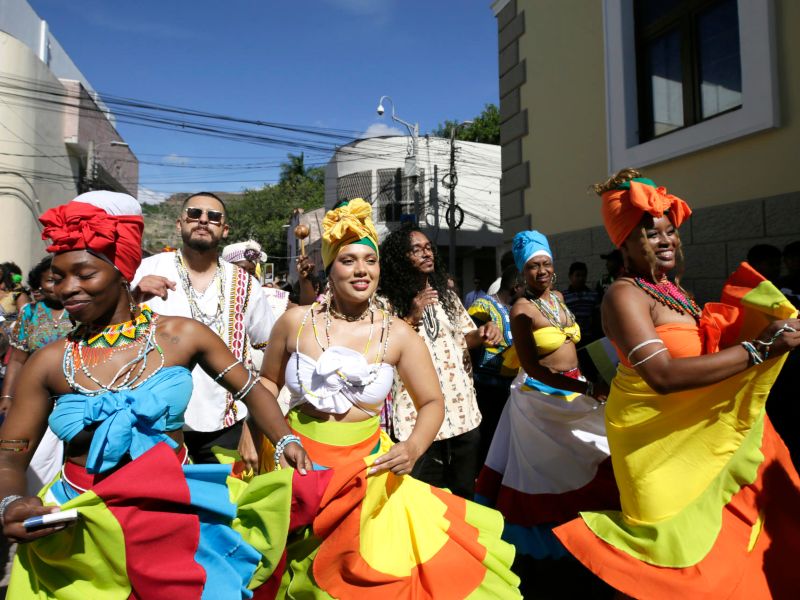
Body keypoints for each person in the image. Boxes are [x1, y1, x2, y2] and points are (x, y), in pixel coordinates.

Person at [0, 191, 314, 597]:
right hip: (80, 533)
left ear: (120, 272)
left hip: (174, 516)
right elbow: (10, 456)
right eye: (60, 277)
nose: (69, 289)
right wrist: (10, 502)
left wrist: (285, 438)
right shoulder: (49, 362)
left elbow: (251, 387)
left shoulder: (180, 335)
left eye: (84, 274)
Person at [555, 169, 800, 598]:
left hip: (701, 432)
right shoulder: (623, 295)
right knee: (670, 556)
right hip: (654, 444)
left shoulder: (673, 290)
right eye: (652, 234)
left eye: (670, 232)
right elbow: (663, 375)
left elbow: (702, 354)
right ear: (625, 243)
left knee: (743, 533)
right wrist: (758, 348)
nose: (666, 240)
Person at [259, 198, 521, 598]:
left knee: (363, 577)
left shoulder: (398, 333)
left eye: (370, 260)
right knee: (292, 570)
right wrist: (261, 433)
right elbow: (266, 384)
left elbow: (432, 402)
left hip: (368, 471)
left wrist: (414, 447)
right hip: (297, 464)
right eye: (348, 260)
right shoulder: (295, 322)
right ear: (331, 267)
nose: (362, 270)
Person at [475, 231, 615, 589]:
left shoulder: (559, 299)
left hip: (574, 390)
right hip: (541, 400)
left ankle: (584, 528)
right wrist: (585, 387)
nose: (542, 271)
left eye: (547, 264)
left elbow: (571, 348)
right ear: (523, 271)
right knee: (546, 472)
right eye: (534, 266)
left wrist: (589, 378)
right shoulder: (521, 310)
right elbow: (534, 368)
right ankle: (549, 547)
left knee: (588, 455)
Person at [132, 192, 275, 472]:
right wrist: (132, 297)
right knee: (164, 510)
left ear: (224, 229)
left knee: (226, 508)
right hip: (154, 423)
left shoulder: (246, 285)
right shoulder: (146, 271)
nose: (203, 221)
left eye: (214, 217)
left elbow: (267, 353)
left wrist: (253, 424)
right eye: (195, 214)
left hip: (227, 423)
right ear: (179, 223)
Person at [379, 224, 502, 499]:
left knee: (463, 495)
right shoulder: (385, 302)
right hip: (416, 419)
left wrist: (482, 334)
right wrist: (410, 316)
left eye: (428, 248)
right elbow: (382, 351)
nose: (426, 254)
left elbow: (463, 338)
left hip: (461, 412)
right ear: (400, 258)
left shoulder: (446, 296)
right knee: (421, 499)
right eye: (416, 250)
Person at [0, 257, 74, 493]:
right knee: (36, 457)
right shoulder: (30, 313)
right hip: (36, 395)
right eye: (52, 280)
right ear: (39, 284)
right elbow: (18, 359)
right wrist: (8, 397)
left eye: (62, 280)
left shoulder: (81, 312)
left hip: (73, 395)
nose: (57, 286)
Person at [467, 265, 523, 465]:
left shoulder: (516, 309)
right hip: (485, 387)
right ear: (517, 287)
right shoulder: (483, 305)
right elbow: (467, 340)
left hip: (510, 386)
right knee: (487, 437)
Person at [562, 261, 600, 345]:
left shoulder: (593, 295)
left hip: (589, 338)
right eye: (577, 275)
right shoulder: (563, 296)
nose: (581, 278)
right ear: (570, 276)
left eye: (583, 275)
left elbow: (597, 317)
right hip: (571, 339)